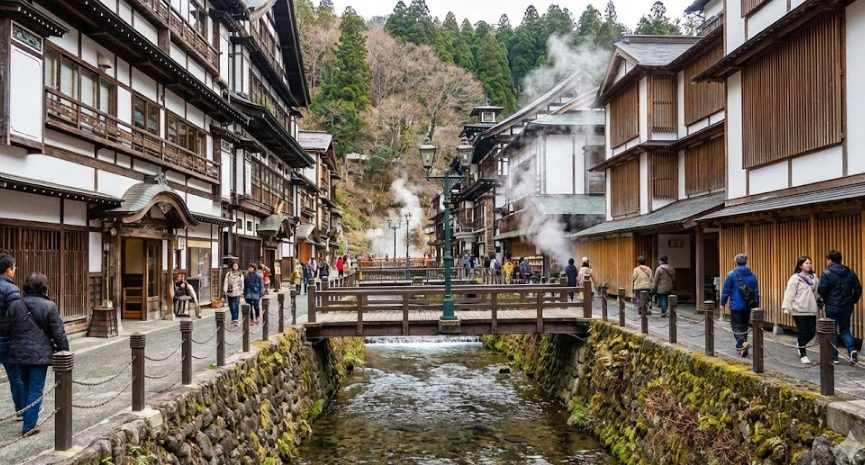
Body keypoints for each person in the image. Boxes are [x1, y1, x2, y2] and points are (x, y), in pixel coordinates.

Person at [8, 273, 69, 435]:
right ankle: (29, 426)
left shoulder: (15, 305)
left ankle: (27, 417)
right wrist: (64, 350)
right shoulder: (49, 306)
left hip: (17, 353)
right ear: (44, 288)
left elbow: (7, 328)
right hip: (39, 354)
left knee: (24, 386)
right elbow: (58, 332)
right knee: (35, 388)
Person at [818, 250, 862, 365]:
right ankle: (852, 350)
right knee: (845, 330)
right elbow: (858, 289)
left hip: (831, 307)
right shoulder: (850, 272)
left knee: (832, 331)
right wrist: (853, 300)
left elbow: (821, 290)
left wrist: (825, 298)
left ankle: (834, 357)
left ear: (830, 260)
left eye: (827, 260)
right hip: (846, 307)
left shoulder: (827, 273)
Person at [720, 253, 760, 357]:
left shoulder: (731, 274)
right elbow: (755, 291)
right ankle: (741, 347)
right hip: (748, 305)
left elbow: (726, 290)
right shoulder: (752, 275)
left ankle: (742, 343)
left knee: (736, 326)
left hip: (736, 305)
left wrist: (722, 303)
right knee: (744, 326)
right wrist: (756, 305)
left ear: (736, 262)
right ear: (746, 262)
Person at [782, 256, 820, 364]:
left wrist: (819, 302)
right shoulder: (795, 278)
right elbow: (789, 293)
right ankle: (803, 354)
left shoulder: (814, 278)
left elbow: (817, 293)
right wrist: (787, 307)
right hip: (798, 309)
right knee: (802, 331)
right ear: (800, 265)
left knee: (811, 332)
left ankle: (800, 344)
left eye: (810, 263)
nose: (809, 265)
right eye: (806, 263)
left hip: (811, 309)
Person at [0, 254, 23, 421]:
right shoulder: (11, 290)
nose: (15, 270)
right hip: (6, 339)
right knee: (15, 376)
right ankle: (22, 409)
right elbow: (16, 317)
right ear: (8, 270)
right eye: (14, 268)